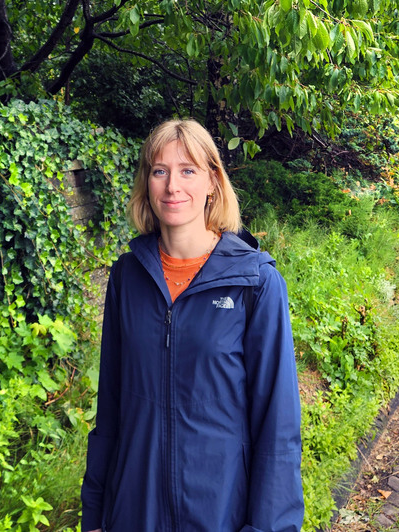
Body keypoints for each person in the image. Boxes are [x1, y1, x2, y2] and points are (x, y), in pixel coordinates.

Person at [81, 119, 303, 532]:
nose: (172, 186)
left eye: (188, 170)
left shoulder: (255, 283)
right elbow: (110, 408)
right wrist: (94, 514)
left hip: (220, 514)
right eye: (159, 170)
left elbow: (279, 428)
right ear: (146, 182)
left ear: (212, 182)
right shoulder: (127, 278)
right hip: (134, 511)